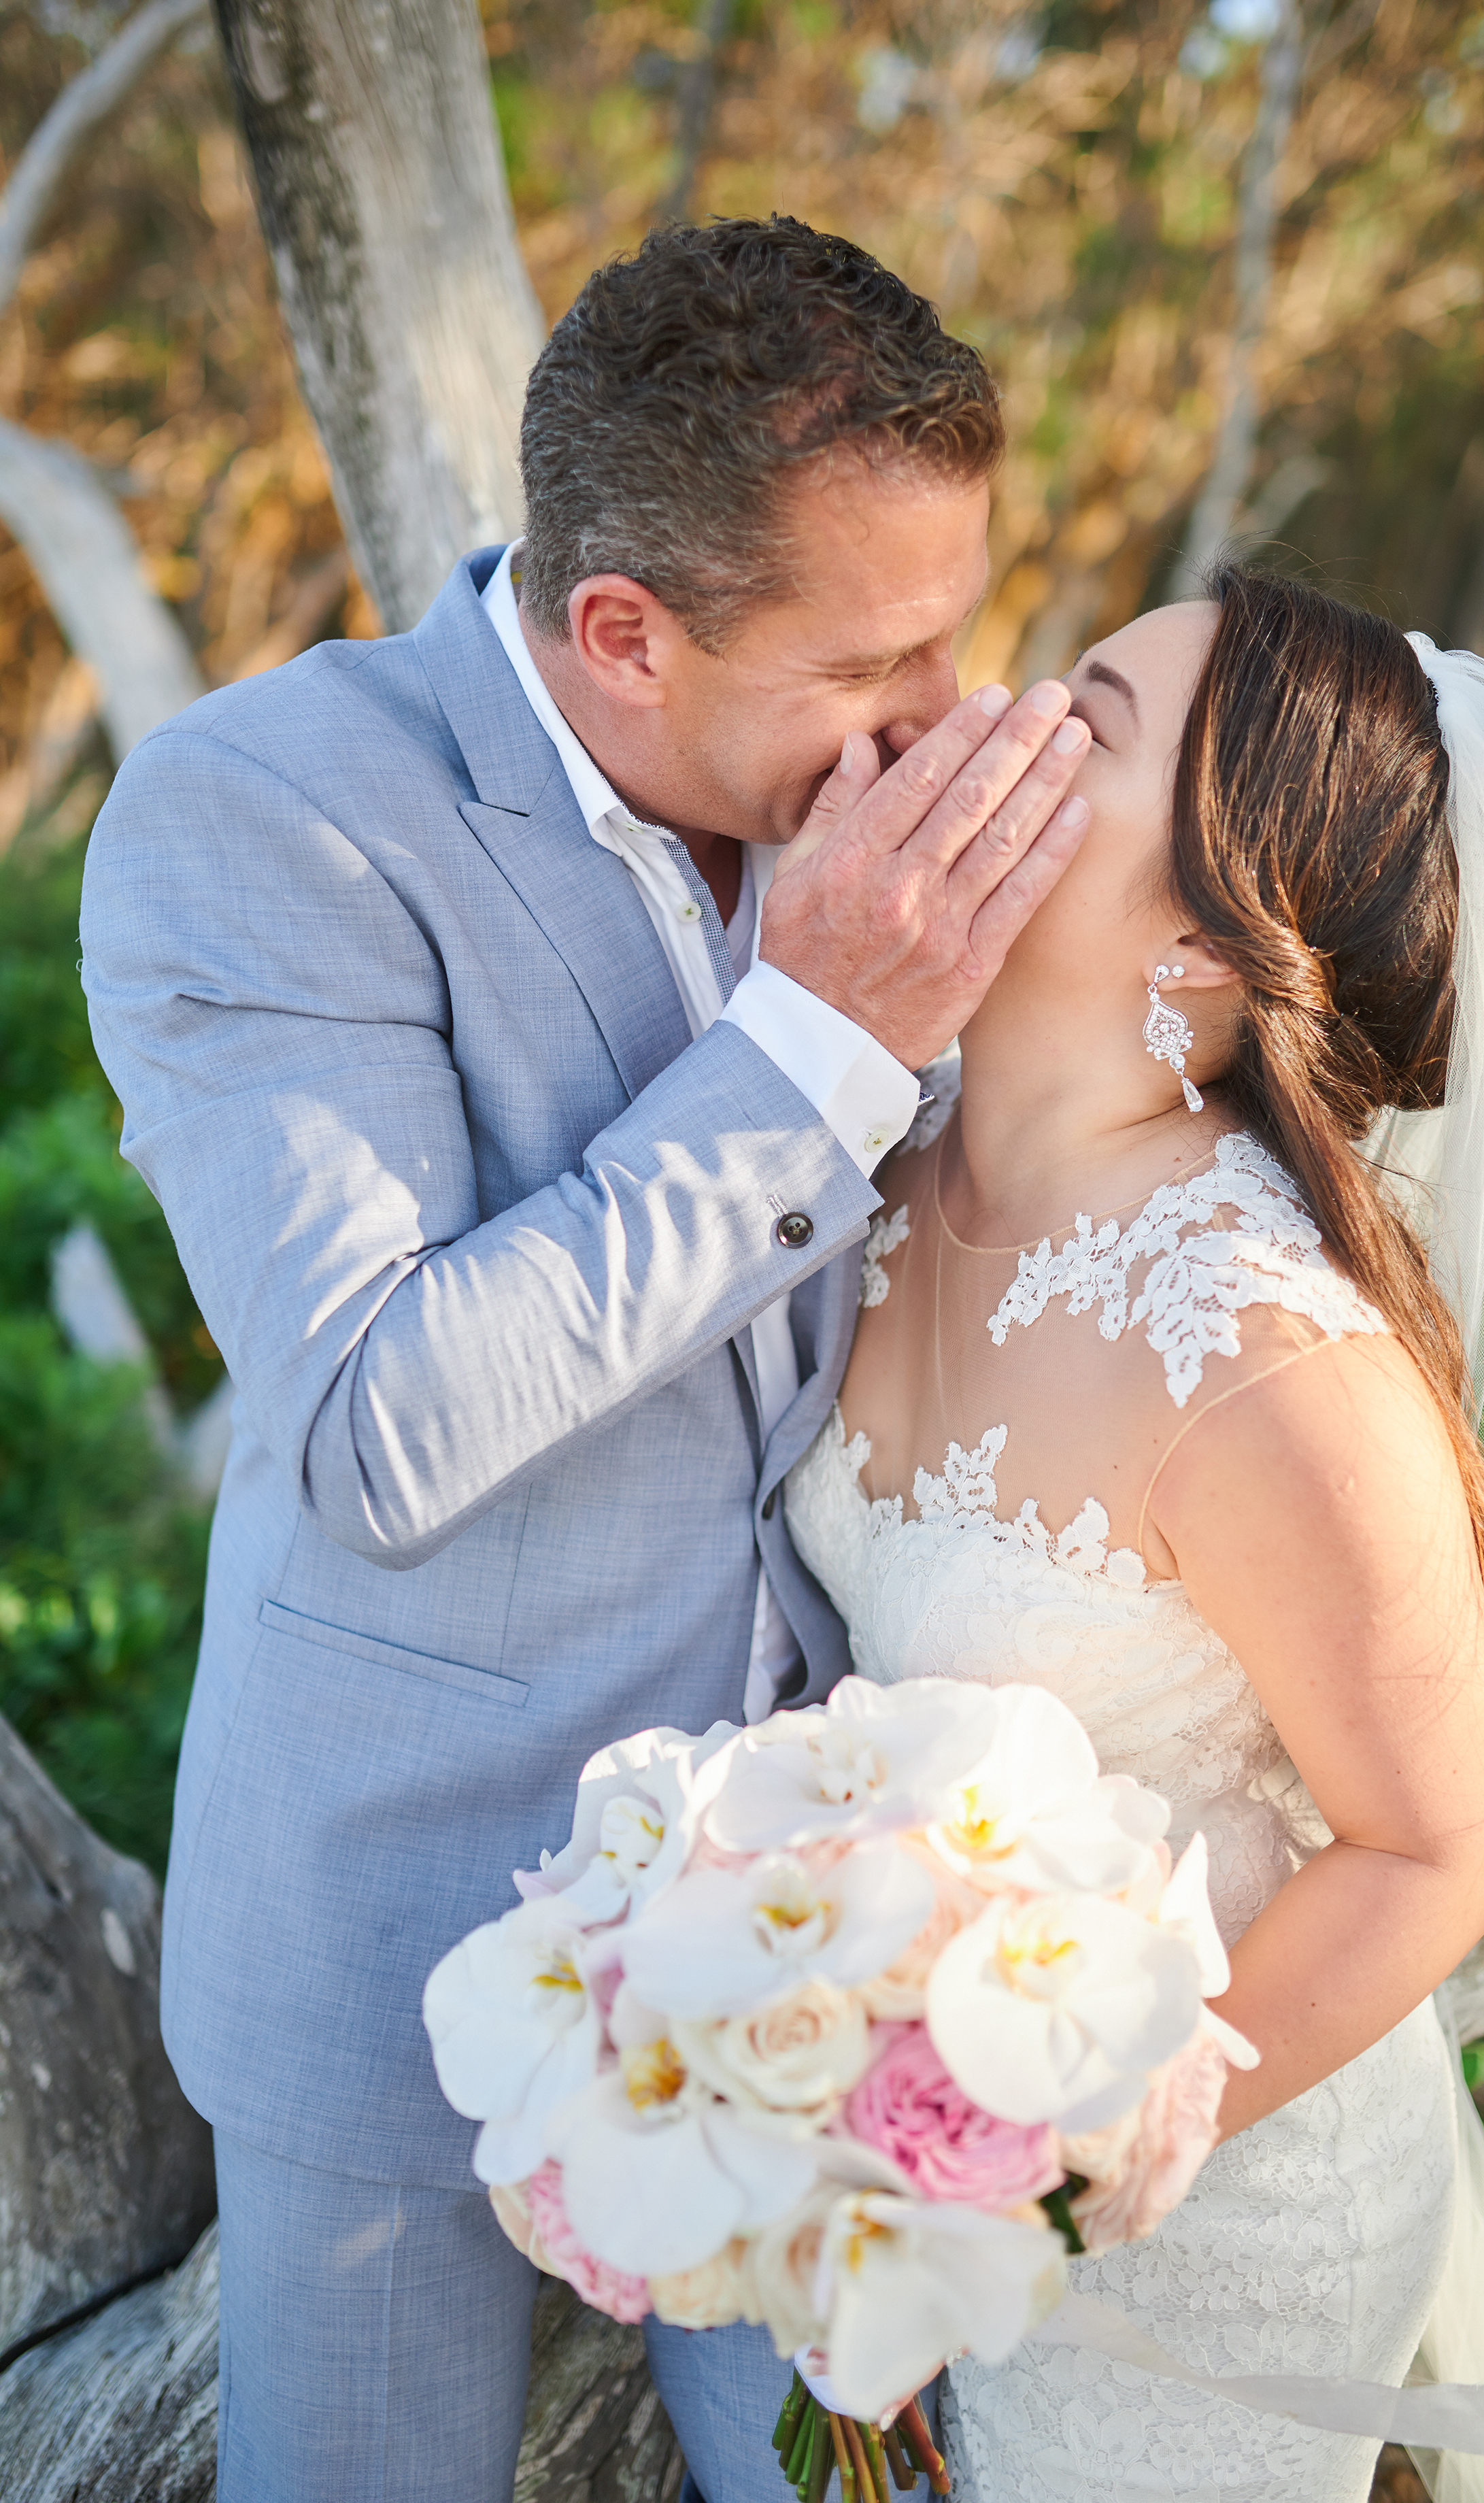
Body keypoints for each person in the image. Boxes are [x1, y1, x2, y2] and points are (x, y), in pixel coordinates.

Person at [78, 216, 1095, 2503]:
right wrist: (817, 1041)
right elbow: (377, 1423)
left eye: (963, 620)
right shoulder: (263, 824)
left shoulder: (877, 800)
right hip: (398, 1940)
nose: (947, 712)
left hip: (839, 1957)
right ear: (622, 635)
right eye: (879, 655)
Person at [784, 564, 1484, 2502]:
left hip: (1207, 2221)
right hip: (932, 2136)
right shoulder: (868, 1156)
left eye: (1083, 722)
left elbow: (1437, 1848)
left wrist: (1050, 2168)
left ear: (1206, 942)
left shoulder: (1262, 1367)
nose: (997, 720)